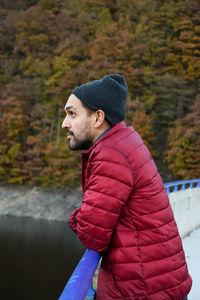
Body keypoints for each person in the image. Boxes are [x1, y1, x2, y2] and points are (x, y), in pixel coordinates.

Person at [62, 74, 192, 300]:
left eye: (72, 113)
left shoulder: (111, 154)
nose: (65, 123)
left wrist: (75, 216)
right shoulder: (124, 142)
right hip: (159, 282)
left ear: (98, 118)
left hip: (143, 290)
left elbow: (92, 234)